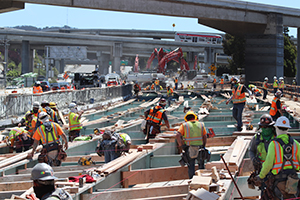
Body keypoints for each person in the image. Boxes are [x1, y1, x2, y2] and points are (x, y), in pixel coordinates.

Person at [255, 116, 300, 199]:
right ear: (288, 128)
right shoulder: (296, 144)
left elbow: (268, 164)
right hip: (293, 181)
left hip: (279, 182)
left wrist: (260, 176)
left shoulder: (274, 144)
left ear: (275, 128)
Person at [249, 114, 276, 196]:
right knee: (264, 192)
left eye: (268, 127)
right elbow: (251, 151)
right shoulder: (256, 138)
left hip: (275, 170)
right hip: (262, 170)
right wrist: (253, 159)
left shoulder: (276, 138)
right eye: (264, 127)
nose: (266, 129)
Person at [176, 111, 208, 179]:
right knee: (201, 164)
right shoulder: (201, 124)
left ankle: (192, 180)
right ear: (195, 118)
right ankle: (203, 180)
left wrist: (181, 145)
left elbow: (178, 135)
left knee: (191, 165)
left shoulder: (184, 125)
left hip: (189, 148)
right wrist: (204, 145)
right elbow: (205, 136)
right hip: (200, 147)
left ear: (186, 118)